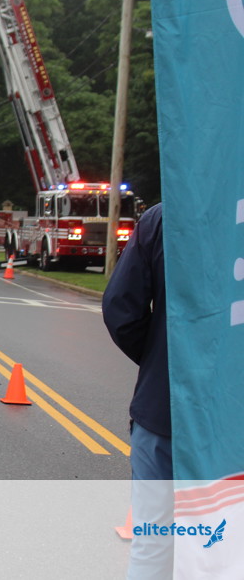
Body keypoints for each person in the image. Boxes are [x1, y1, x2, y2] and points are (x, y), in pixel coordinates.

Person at [102, 203, 172, 579]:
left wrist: (161, 359)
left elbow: (122, 310)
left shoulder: (164, 217)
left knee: (154, 544)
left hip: (165, 412)